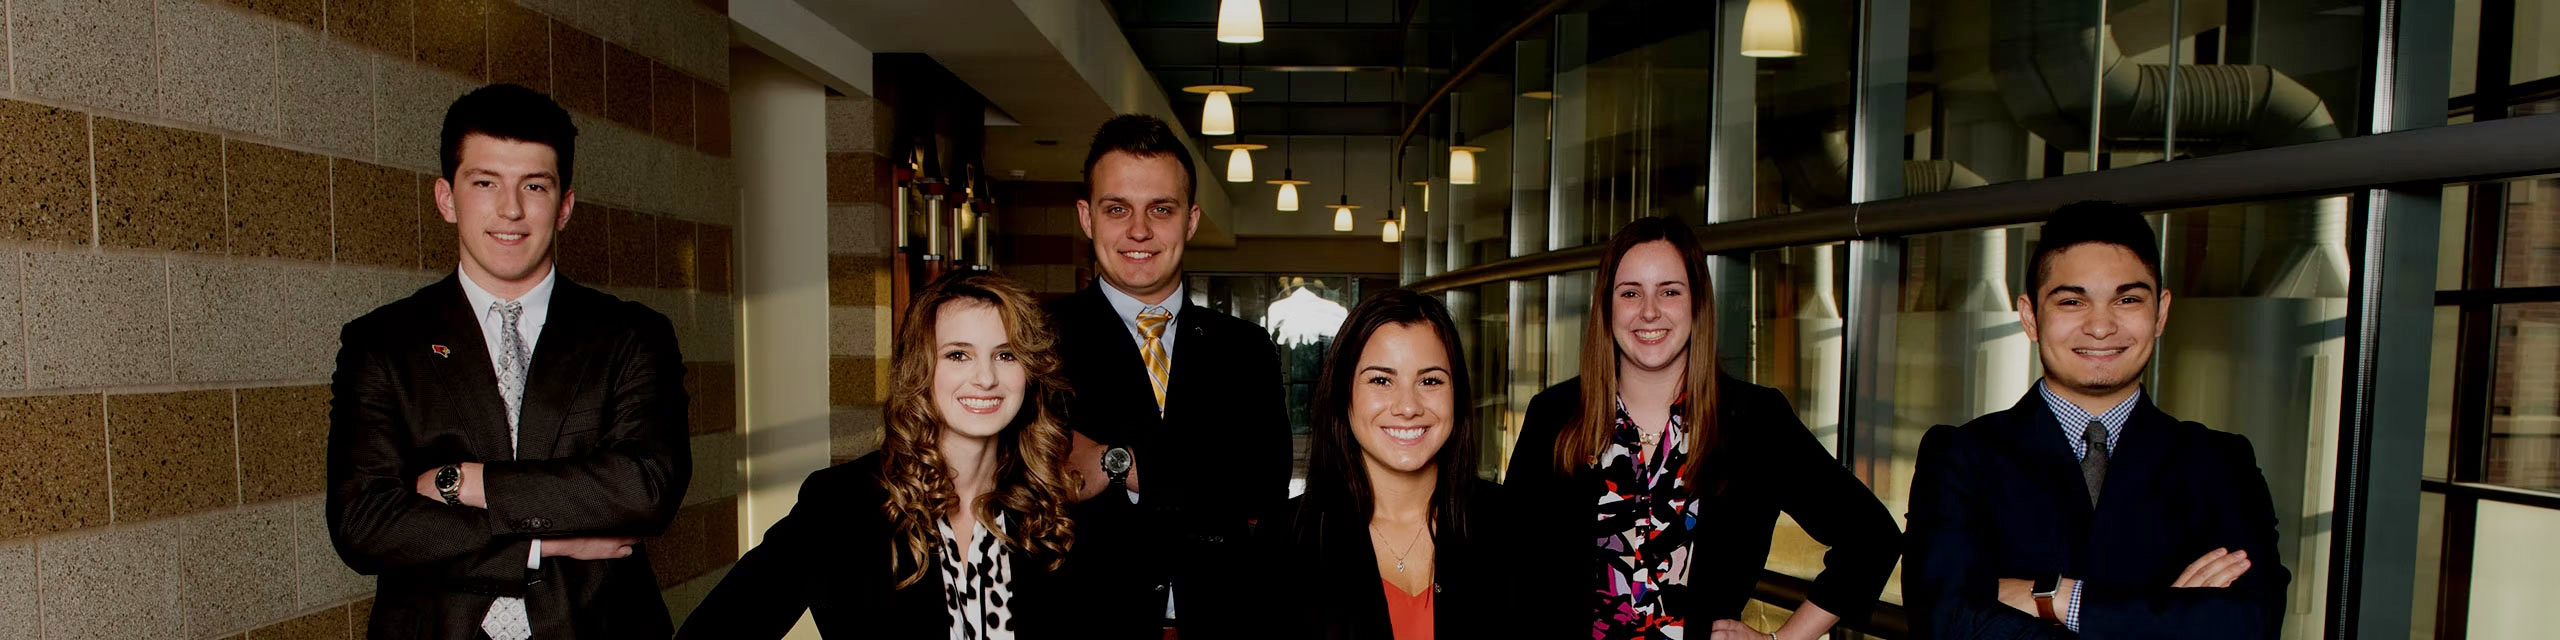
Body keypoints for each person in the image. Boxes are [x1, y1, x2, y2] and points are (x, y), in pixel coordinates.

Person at [327, 83, 691, 639]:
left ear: (565, 206)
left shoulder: (631, 337)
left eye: (535, 186)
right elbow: (365, 525)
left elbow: (644, 490)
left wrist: (468, 483)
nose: (511, 209)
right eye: (485, 182)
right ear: (446, 198)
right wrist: (545, 542)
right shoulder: (381, 344)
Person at [1904, 201, 2287, 639]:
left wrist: (2055, 597)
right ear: (2030, 316)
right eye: (2071, 301)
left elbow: (2250, 625)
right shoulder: (1961, 456)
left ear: (2160, 312)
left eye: (2127, 299)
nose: (2101, 327)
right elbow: (1946, 624)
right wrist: (2169, 619)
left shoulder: (2221, 463)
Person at [1505, 216, 1901, 640]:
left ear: (1697, 304)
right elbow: (1505, 568)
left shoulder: (1754, 420)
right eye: (1630, 293)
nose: (1649, 311)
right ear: (1607, 306)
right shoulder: (1554, 416)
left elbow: (1872, 538)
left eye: (1670, 291)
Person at [674, 272, 1082, 638]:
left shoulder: (1050, 506)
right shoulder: (841, 504)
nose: (986, 377)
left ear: (1029, 372)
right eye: (958, 354)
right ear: (920, 368)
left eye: (1005, 354)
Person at [1048, 114, 1294, 637]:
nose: (1139, 231)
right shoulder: (1036, 343)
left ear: (1191, 220)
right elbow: (1032, 485)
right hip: (1082, 624)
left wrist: (1122, 462)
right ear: (1087, 217)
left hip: (1228, 622)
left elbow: (1262, 491)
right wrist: (1203, 472)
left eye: (1161, 209)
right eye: (1118, 209)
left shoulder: (1246, 350)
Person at [1252, 289, 1511, 639]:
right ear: (1344, 396)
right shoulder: (1285, 538)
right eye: (1381, 380)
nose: (1408, 406)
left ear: (1457, 395)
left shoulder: (1513, 525)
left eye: (1430, 380)